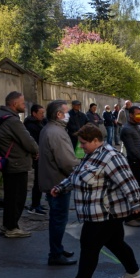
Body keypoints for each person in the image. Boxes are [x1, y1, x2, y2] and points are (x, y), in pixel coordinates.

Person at [52, 124, 140, 278]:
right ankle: (133, 271)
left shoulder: (111, 157)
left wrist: (137, 203)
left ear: (96, 141)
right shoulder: (91, 155)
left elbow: (128, 181)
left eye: (84, 143)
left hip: (105, 213)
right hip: (96, 212)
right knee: (116, 243)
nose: (81, 146)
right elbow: (76, 176)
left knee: (89, 245)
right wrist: (61, 187)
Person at [0, 92, 39, 238]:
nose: (24, 106)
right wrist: (36, 151)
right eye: (22, 103)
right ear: (13, 104)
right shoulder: (12, 120)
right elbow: (28, 141)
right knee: (17, 197)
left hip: (6, 161)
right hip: (16, 162)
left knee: (10, 196)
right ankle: (12, 227)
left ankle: (7, 225)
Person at [38, 100, 80, 266]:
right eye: (66, 112)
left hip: (53, 179)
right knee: (58, 219)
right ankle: (55, 254)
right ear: (58, 114)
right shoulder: (56, 132)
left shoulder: (51, 129)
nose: (68, 114)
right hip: (57, 182)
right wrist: (81, 172)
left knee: (58, 218)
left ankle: (58, 248)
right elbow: (66, 162)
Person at [121, 105, 140, 226]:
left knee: (139, 190)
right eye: (137, 114)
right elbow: (132, 148)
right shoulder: (127, 129)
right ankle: (129, 217)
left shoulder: (136, 127)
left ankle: (138, 213)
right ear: (131, 115)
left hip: (139, 162)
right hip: (133, 162)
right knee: (133, 191)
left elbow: (139, 145)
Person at [24, 103, 47, 216]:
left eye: (43, 113)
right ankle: (34, 206)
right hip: (37, 156)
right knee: (38, 181)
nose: (43, 115)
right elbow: (32, 142)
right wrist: (36, 152)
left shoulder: (40, 122)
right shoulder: (30, 125)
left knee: (40, 180)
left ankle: (37, 203)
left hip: (41, 154)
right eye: (41, 113)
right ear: (34, 113)